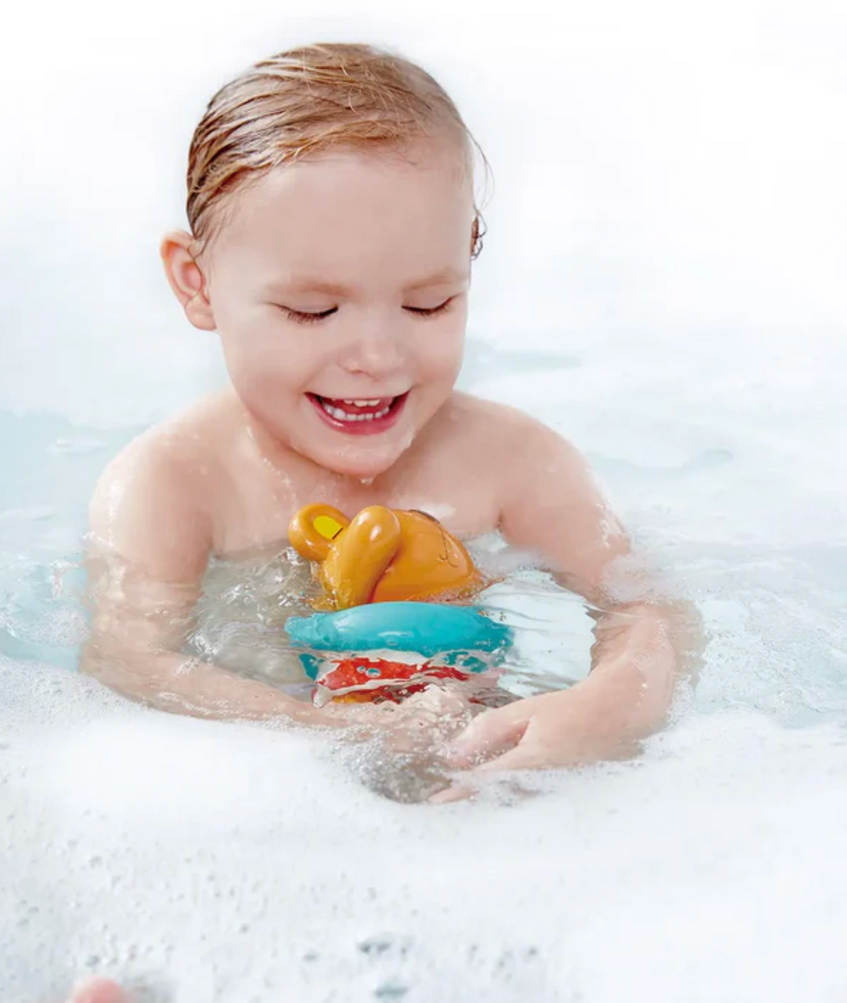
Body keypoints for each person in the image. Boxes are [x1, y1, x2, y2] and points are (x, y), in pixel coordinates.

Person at [82, 41, 695, 799]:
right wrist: (333, 738)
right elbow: (129, 660)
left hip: (485, 773)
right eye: (313, 310)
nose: (376, 355)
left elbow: (645, 605)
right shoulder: (177, 482)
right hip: (271, 791)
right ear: (197, 283)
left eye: (428, 303)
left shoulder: (514, 461)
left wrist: (606, 705)